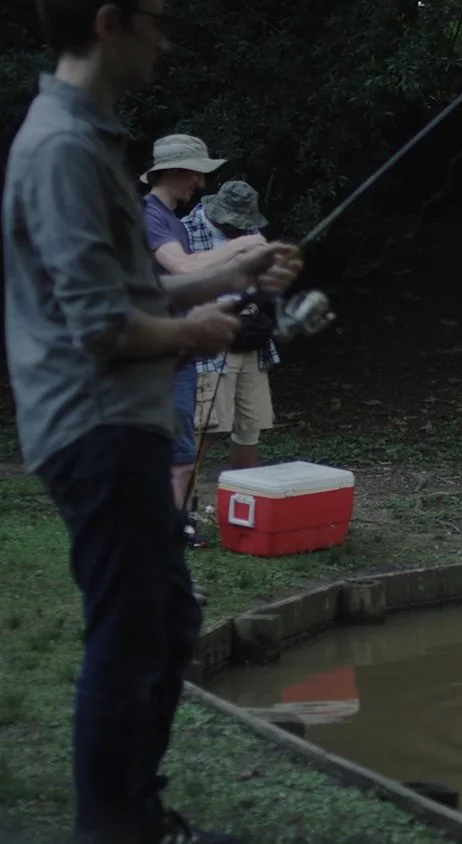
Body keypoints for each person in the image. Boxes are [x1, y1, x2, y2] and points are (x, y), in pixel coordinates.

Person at [2, 1, 303, 840]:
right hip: (96, 427)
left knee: (165, 626)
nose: (166, 41)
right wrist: (201, 332)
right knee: (130, 633)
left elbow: (136, 295)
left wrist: (234, 272)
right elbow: (102, 326)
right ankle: (114, 828)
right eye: (156, 22)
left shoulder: (88, 139)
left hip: (115, 422)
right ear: (109, 22)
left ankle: (134, 816)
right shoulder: (63, 149)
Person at [139, 133, 265, 518]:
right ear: (175, 172)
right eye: (196, 174)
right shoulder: (148, 216)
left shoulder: (173, 223)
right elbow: (185, 267)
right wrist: (241, 246)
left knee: (180, 459)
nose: (201, 183)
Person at [183, 180, 279, 470]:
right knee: (203, 428)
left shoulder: (252, 235)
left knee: (249, 428)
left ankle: (243, 502)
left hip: (249, 340)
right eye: (232, 223)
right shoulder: (184, 232)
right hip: (209, 343)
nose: (239, 230)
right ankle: (180, 507)